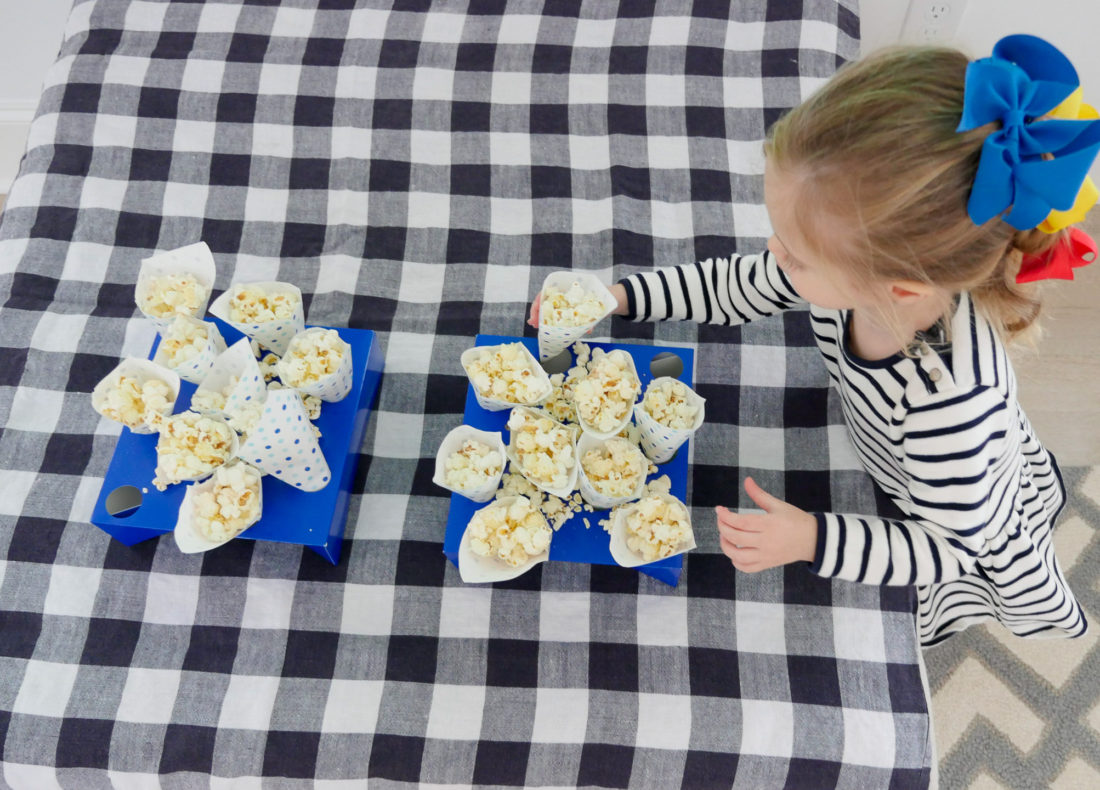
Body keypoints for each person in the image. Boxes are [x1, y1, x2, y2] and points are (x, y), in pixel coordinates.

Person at [528, 35, 1098, 646]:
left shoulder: (951, 413)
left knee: (922, 605)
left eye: (795, 256)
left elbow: (946, 551)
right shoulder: (860, 271)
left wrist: (811, 539)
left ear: (898, 289)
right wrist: (615, 299)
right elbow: (738, 286)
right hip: (893, 446)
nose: (776, 255)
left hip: (953, 521)